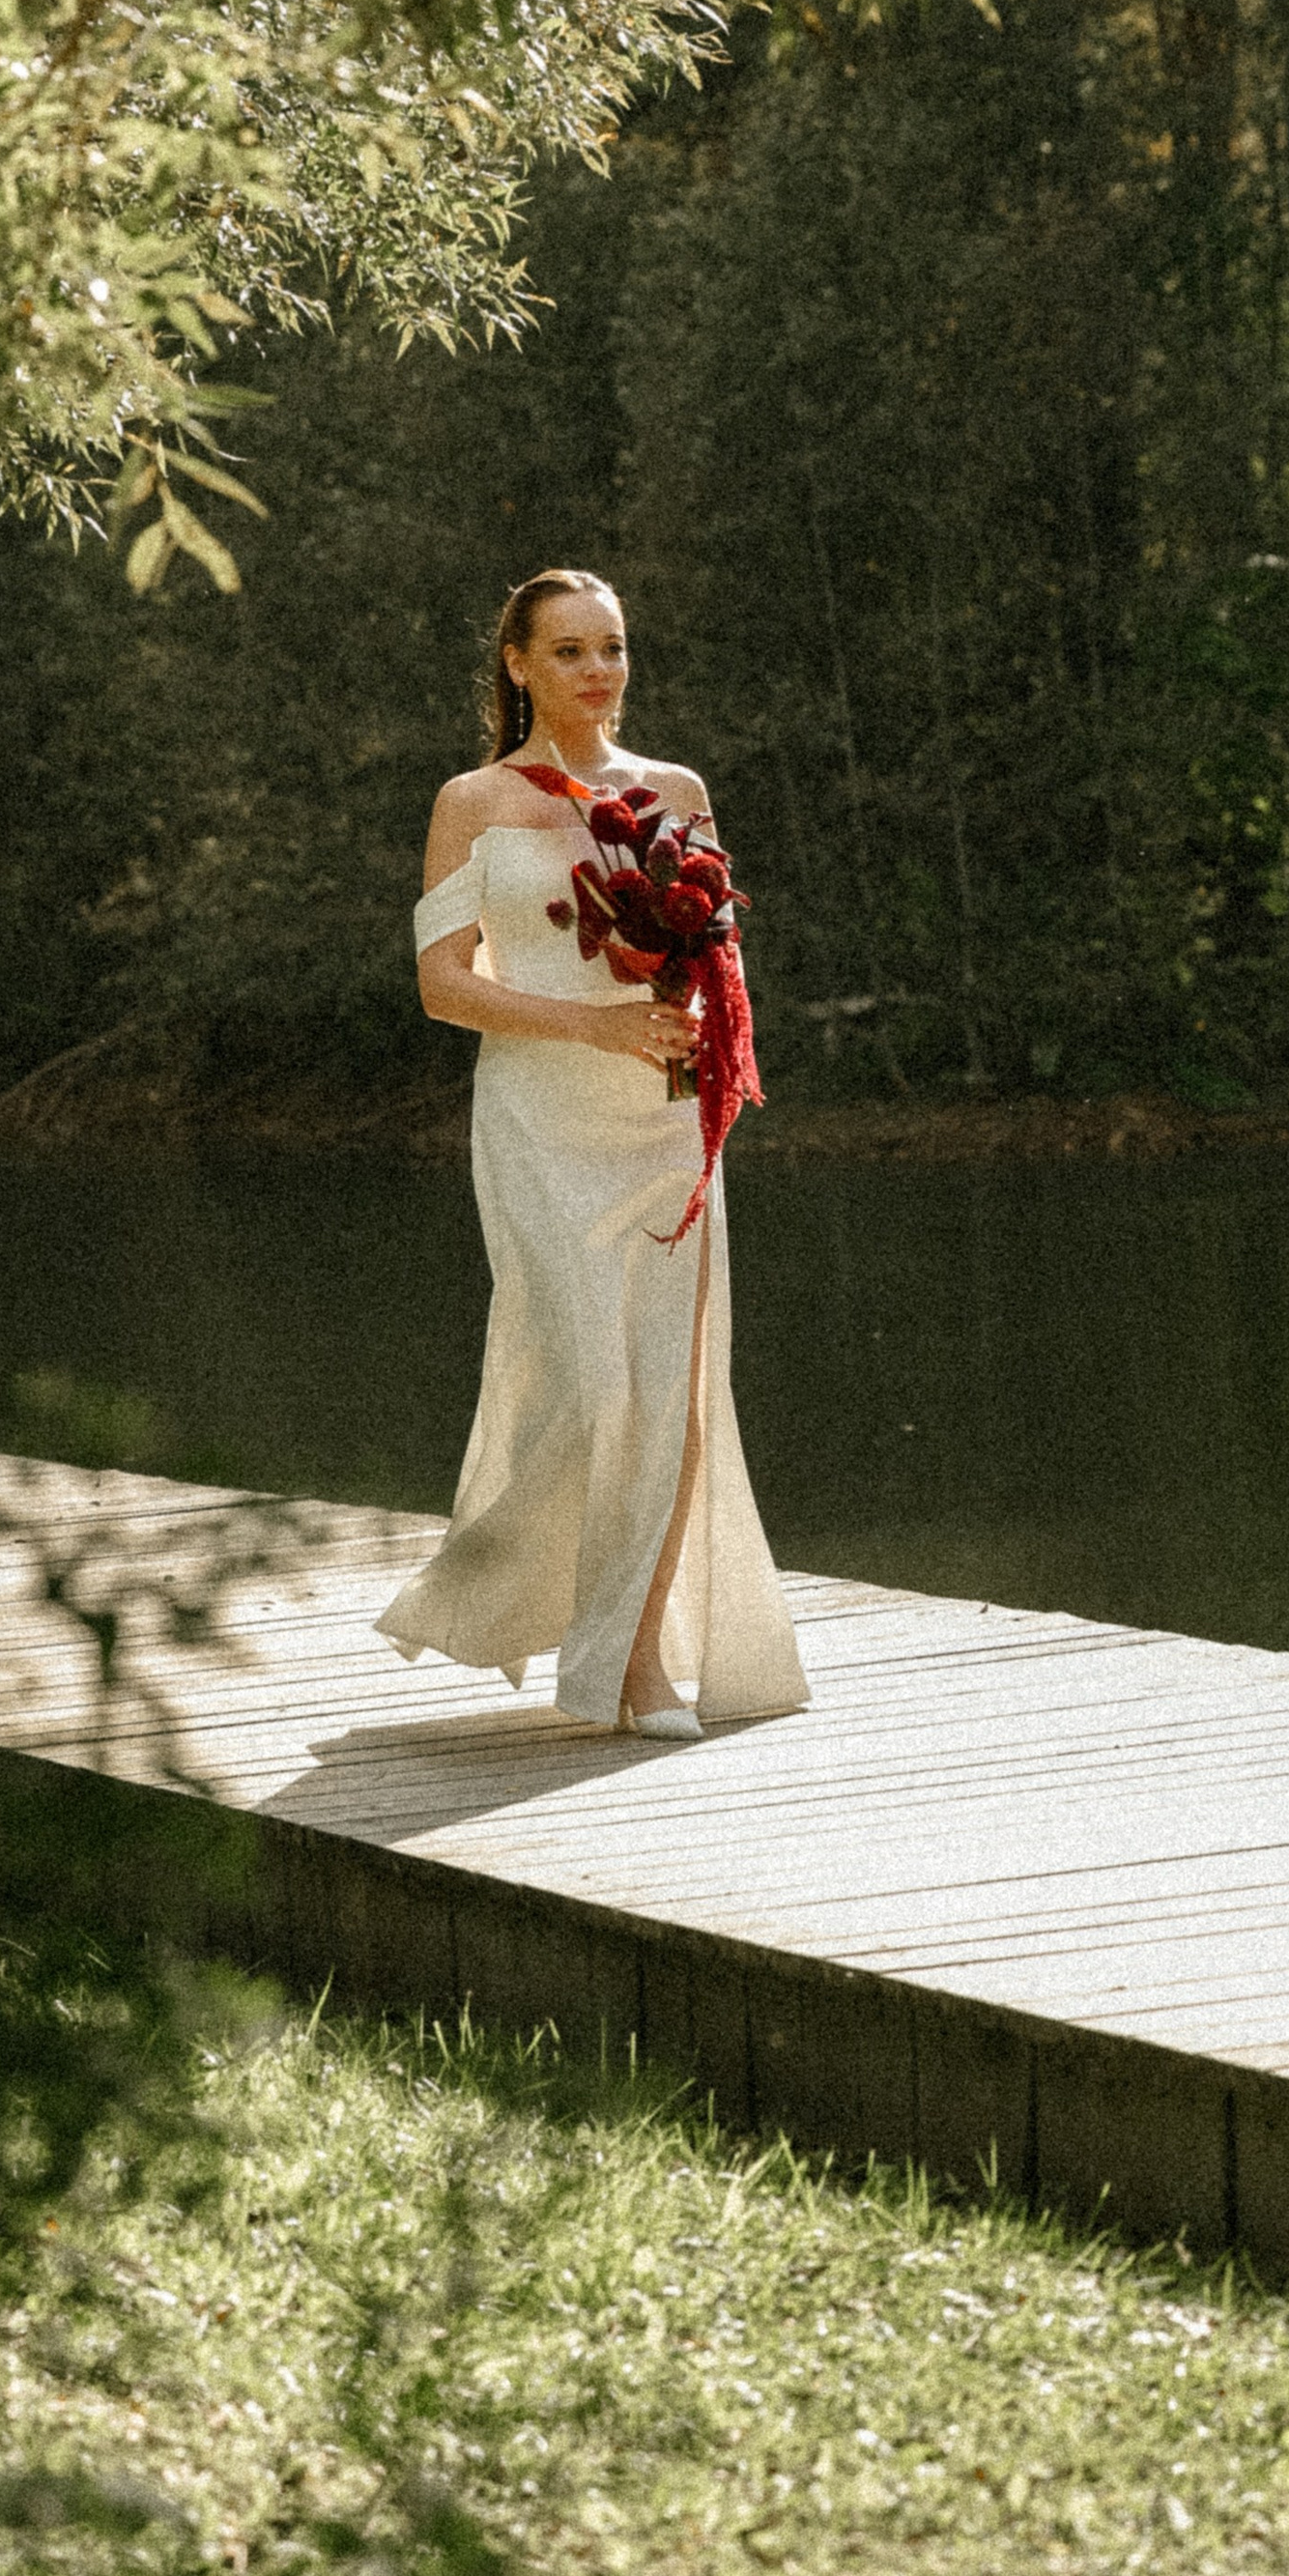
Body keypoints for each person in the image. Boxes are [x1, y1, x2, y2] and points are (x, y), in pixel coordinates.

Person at [375, 567, 809, 1737]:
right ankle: (491, 1586)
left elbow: (721, 961)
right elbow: (440, 984)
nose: (596, 671)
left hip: (663, 1118)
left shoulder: (676, 791)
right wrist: (594, 1023)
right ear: (516, 665)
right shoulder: (472, 800)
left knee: (669, 1390)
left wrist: (701, 1041)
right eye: (567, 650)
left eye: (609, 647)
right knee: (585, 1383)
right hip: (538, 1121)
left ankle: (631, 1661)